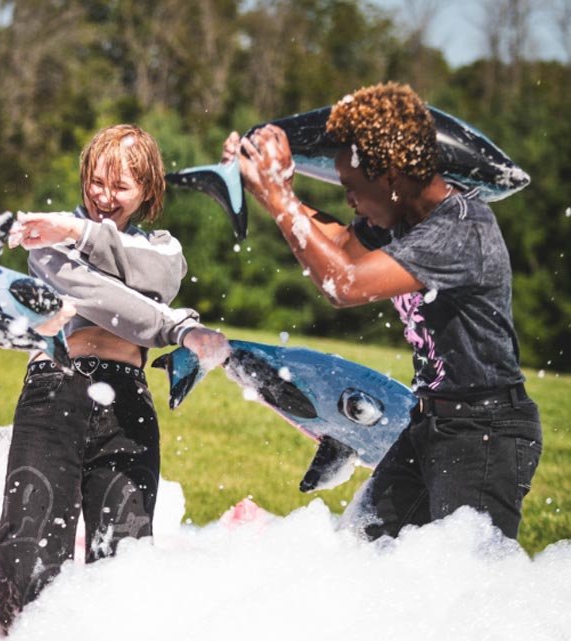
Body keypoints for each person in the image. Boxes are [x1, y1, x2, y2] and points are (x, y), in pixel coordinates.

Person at [223, 82, 542, 541]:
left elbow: (344, 284)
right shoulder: (402, 220)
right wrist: (269, 187)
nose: (349, 200)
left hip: (486, 434)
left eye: (353, 188)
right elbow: (336, 247)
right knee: (360, 550)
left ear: (392, 175)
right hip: (432, 422)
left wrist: (280, 198)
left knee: (468, 586)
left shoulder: (458, 228)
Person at [0, 123, 231, 633]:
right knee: (25, 558)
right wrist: (175, 325)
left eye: (120, 187)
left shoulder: (161, 248)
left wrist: (80, 233)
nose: (103, 198)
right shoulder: (46, 240)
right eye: (95, 183)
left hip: (127, 404)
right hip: (55, 391)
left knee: (126, 568)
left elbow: (162, 277)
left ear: (147, 192)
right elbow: (109, 303)